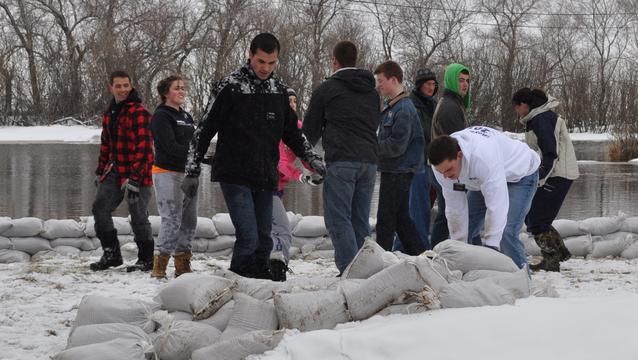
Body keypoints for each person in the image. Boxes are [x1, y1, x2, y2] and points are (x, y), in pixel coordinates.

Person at [181, 33, 325, 280]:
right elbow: (203, 130)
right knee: (248, 236)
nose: (265, 69)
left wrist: (311, 159)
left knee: (264, 240)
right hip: (234, 172)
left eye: (271, 63)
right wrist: (192, 171)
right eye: (261, 62)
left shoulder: (278, 91)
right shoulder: (230, 87)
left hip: (265, 174)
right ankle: (237, 285)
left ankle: (259, 287)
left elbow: (293, 134)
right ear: (250, 55)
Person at [303, 40, 380, 275]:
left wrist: (306, 160)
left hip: (342, 160)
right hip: (369, 162)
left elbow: (309, 130)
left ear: (334, 61)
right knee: (360, 219)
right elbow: (374, 123)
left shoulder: (327, 89)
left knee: (338, 219)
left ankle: (350, 271)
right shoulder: (372, 92)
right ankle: (365, 269)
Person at [428, 126, 540, 269]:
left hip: (521, 174)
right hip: (480, 180)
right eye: (441, 171)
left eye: (449, 170)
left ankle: (522, 282)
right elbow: (454, 208)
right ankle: (469, 273)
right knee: (463, 233)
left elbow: (497, 203)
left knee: (506, 233)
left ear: (459, 155)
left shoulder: (482, 157)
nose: (445, 176)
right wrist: (458, 245)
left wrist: (492, 245)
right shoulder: (441, 169)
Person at [90, 70, 154, 272]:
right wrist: (100, 171)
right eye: (118, 86)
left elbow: (144, 148)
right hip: (116, 170)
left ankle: (146, 259)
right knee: (100, 209)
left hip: (139, 172)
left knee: (138, 215)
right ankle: (112, 254)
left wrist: (135, 178)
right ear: (111, 87)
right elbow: (106, 144)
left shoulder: (140, 112)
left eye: (126, 85)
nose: (123, 90)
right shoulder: (110, 112)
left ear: (131, 85)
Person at [512, 88, 578, 272]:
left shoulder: (542, 119)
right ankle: (560, 253)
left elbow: (550, 154)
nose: (517, 112)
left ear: (523, 105)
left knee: (536, 220)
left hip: (558, 174)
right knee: (536, 217)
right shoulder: (538, 118)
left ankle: (552, 260)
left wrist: (539, 179)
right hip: (557, 173)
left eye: (516, 108)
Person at [373, 60, 426, 255]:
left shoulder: (404, 109)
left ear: (393, 79)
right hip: (394, 169)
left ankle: (381, 258)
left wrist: (370, 148)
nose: (378, 85)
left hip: (399, 169)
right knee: (401, 218)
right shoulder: (394, 107)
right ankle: (421, 255)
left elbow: (397, 145)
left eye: (380, 81)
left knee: (386, 217)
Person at [270, 88, 322, 282]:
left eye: (294, 101)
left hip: (278, 188)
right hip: (265, 185)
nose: (291, 104)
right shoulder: (275, 126)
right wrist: (301, 176)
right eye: (288, 101)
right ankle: (277, 269)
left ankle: (274, 266)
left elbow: (305, 152)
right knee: (281, 230)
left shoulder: (297, 127)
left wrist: (318, 168)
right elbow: (280, 162)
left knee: (275, 230)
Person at [149, 75, 197, 279]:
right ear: (165, 92)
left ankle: (183, 266)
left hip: (188, 174)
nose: (182, 91)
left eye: (184, 88)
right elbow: (169, 146)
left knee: (189, 220)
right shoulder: (161, 115)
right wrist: (192, 155)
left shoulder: (186, 116)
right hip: (167, 173)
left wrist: (201, 157)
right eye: (177, 88)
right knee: (172, 220)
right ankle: (159, 266)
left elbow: (194, 144)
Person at [395, 68, 439, 251]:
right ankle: (420, 248)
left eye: (433, 84)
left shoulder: (433, 105)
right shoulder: (410, 104)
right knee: (417, 209)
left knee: (422, 208)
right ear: (419, 85)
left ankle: (400, 247)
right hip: (415, 164)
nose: (431, 87)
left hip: (431, 163)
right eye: (427, 84)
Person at [429, 63, 471, 248]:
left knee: (448, 213)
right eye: (460, 80)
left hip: (447, 167)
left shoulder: (453, 104)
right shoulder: (450, 107)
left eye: (467, 81)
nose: (465, 84)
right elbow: (458, 143)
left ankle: (440, 250)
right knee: (450, 213)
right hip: (448, 169)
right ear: (451, 81)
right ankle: (439, 251)